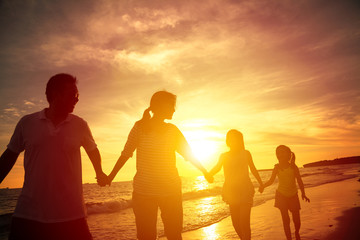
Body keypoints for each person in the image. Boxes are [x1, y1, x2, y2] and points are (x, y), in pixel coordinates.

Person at [0, 73, 108, 240]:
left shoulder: (80, 124)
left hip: (71, 214)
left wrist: (99, 172)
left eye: (77, 94)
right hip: (29, 214)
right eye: (73, 94)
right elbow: (9, 156)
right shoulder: (27, 123)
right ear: (55, 94)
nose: (77, 99)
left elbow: (93, 150)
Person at [106, 91, 213, 240]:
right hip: (144, 193)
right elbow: (126, 153)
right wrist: (110, 176)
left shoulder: (172, 130)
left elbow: (188, 153)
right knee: (146, 236)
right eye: (172, 105)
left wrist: (204, 171)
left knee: (174, 234)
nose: (174, 110)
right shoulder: (140, 127)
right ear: (160, 105)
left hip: (171, 191)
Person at [209, 129, 263, 240]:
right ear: (227, 141)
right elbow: (217, 167)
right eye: (231, 138)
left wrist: (261, 183)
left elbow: (253, 169)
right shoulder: (223, 156)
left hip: (245, 190)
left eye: (236, 138)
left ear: (240, 140)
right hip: (231, 192)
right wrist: (208, 174)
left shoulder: (246, 153)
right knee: (236, 224)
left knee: (244, 223)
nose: (233, 140)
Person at [259, 145, 310, 240]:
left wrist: (303, 193)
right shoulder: (277, 167)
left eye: (282, 152)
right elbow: (271, 181)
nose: (279, 154)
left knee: (297, 220)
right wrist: (263, 186)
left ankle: (297, 232)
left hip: (293, 195)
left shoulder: (293, 167)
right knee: (285, 219)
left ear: (288, 154)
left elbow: (299, 181)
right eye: (277, 152)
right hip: (281, 195)